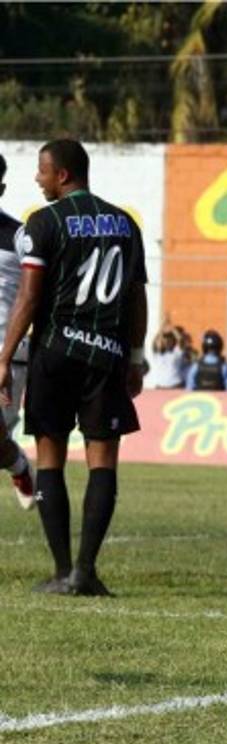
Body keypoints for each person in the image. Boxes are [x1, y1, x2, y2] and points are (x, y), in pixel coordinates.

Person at [0, 139, 146, 596]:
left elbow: (28, 297)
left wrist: (3, 357)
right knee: (103, 464)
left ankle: (63, 571)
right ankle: (87, 570)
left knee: (51, 461)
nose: (37, 179)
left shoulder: (42, 223)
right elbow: (137, 295)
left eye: (42, 172)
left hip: (54, 353)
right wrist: (136, 355)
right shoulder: (125, 223)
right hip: (107, 355)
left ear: (62, 175)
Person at [0, 152, 36, 509]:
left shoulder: (19, 236)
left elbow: (36, 292)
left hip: (7, 354)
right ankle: (17, 464)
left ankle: (18, 464)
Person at [146, 316, 186, 389]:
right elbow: (155, 342)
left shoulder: (176, 353)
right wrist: (161, 328)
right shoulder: (158, 354)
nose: (167, 341)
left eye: (169, 339)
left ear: (173, 341)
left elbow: (181, 340)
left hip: (175, 386)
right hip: (160, 387)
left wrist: (172, 328)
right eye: (165, 339)